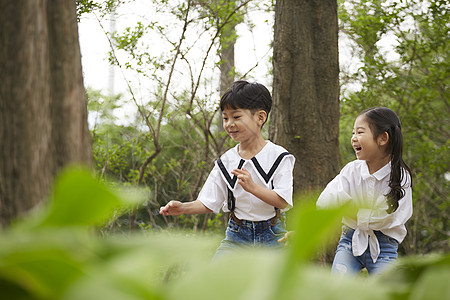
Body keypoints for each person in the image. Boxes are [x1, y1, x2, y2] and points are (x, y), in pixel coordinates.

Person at [160, 80, 295, 259]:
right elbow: (209, 201)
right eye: (225, 118)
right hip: (237, 236)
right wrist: (182, 207)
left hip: (273, 235)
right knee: (214, 281)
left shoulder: (279, 156)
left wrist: (253, 188)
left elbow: (283, 201)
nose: (229, 124)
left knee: (278, 285)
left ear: (260, 117)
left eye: (236, 117)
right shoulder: (226, 161)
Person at [316, 107, 413, 275]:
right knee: (336, 289)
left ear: (383, 138)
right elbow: (325, 200)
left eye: (360, 132)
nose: (353, 138)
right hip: (349, 240)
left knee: (385, 293)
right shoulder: (351, 170)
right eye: (353, 133)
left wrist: (347, 208)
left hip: (385, 246)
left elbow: (386, 217)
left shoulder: (400, 177)